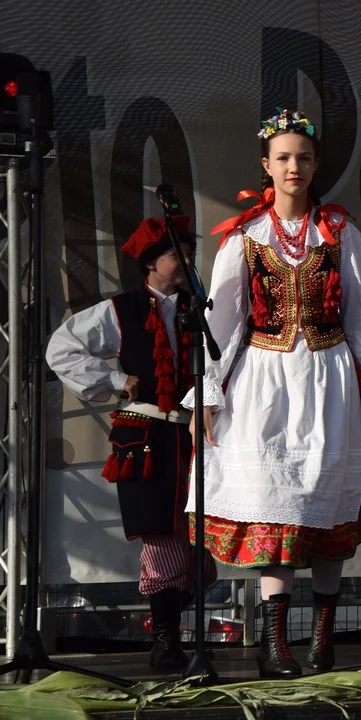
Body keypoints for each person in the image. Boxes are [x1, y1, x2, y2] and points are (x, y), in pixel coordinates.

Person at [183, 109, 361, 678]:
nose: (293, 167)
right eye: (283, 157)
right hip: (265, 383)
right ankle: (276, 643)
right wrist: (207, 393)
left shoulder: (340, 232)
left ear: (315, 165)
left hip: (328, 379)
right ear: (266, 165)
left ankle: (322, 640)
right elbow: (225, 323)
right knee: (275, 510)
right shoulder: (245, 237)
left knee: (326, 512)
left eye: (303, 158)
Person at [46, 217, 217, 669]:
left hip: (197, 436)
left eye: (188, 250)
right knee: (161, 538)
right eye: (174, 252)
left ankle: (174, 627)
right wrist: (116, 379)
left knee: (202, 547)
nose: (184, 260)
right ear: (149, 262)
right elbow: (60, 349)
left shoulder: (200, 310)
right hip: (145, 437)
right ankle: (166, 639)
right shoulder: (119, 310)